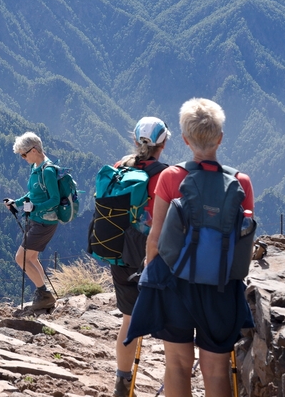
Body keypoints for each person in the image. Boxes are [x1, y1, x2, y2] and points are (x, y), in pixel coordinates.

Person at [127, 99, 255, 397]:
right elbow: (242, 239)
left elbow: (155, 237)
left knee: (177, 365)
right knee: (216, 370)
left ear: (185, 140)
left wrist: (150, 279)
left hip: (174, 283)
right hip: (221, 286)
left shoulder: (171, 177)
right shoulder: (241, 182)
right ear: (220, 139)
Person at [111, 117, 171, 397]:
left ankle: (123, 384)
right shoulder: (167, 176)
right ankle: (175, 382)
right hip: (157, 256)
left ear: (135, 141)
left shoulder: (119, 168)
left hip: (121, 253)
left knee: (128, 319)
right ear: (164, 142)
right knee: (173, 323)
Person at [3, 132, 59, 311]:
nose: (23, 158)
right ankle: (44, 293)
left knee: (21, 258)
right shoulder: (36, 168)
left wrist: (35, 208)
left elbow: (55, 199)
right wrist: (17, 202)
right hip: (37, 220)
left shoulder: (48, 170)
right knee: (32, 257)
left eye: (24, 154)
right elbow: (33, 194)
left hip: (45, 222)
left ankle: (44, 294)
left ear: (34, 150)